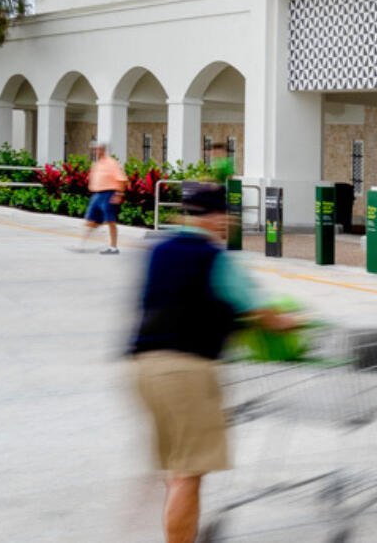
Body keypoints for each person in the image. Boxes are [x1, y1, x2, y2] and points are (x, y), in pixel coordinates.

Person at [130, 181, 299, 543]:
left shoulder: (160, 250)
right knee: (189, 474)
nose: (226, 222)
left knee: (176, 469)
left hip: (143, 367)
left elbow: (177, 302)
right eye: (222, 215)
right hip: (186, 371)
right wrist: (290, 323)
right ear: (210, 218)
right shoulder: (214, 258)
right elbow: (262, 313)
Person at [82, 142, 126, 254]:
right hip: (97, 195)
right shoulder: (97, 164)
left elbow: (121, 179)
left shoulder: (112, 163)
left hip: (108, 194)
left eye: (98, 149)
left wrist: (119, 194)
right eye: (94, 150)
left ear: (103, 150)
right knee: (91, 221)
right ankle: (82, 245)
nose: (96, 152)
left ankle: (113, 247)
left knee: (110, 220)